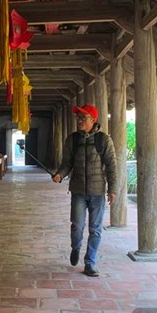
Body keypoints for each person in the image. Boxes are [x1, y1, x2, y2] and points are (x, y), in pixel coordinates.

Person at [52, 104, 118, 277]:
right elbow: (67, 163)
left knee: (95, 229)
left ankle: (90, 263)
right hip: (78, 190)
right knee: (77, 226)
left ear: (93, 119)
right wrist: (60, 174)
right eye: (78, 117)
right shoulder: (72, 140)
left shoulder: (104, 140)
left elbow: (112, 166)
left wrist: (112, 189)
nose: (79, 120)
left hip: (97, 192)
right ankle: (76, 247)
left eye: (83, 117)